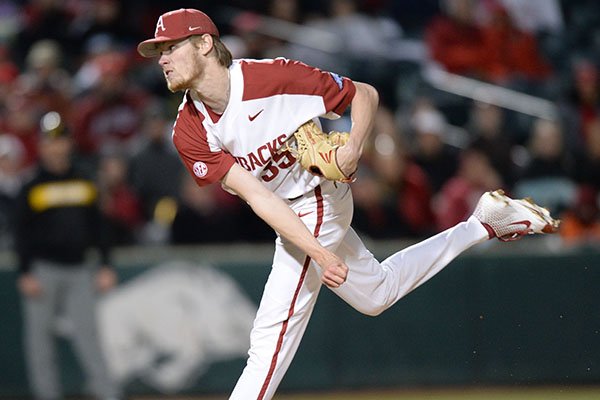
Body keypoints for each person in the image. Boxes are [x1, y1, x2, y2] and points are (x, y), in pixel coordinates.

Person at [136, 8, 560, 399]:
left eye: (170, 47)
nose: (162, 59)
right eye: (159, 52)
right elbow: (258, 196)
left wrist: (353, 148)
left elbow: (365, 94)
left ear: (205, 44)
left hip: (319, 196)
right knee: (376, 293)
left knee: (270, 334)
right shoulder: (188, 130)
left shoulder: (272, 78)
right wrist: (319, 252)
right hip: (288, 212)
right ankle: (483, 223)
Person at [13, 111, 123, 400]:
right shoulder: (31, 184)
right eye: (50, 141)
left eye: (61, 140)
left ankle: (107, 393)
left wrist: (105, 265)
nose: (56, 147)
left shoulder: (85, 179)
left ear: (69, 143)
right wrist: (25, 271)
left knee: (90, 337)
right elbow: (20, 233)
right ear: (41, 145)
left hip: (79, 269)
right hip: (43, 270)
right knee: (40, 342)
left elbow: (100, 227)